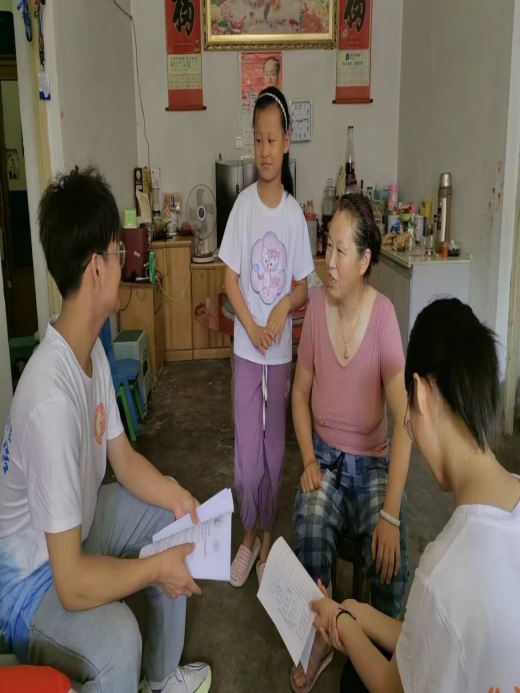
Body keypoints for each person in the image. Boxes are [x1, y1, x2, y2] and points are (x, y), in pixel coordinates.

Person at [0, 168, 212, 693]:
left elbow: (124, 458)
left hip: (75, 528)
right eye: (119, 252)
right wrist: (156, 569)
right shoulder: (50, 401)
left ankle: (161, 680)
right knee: (117, 641)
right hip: (33, 585)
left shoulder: (89, 347)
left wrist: (179, 498)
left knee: (169, 517)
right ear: (97, 269)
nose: (126, 262)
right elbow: (71, 584)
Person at [310, 298, 520, 693]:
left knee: (355, 681)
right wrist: (355, 613)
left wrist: (339, 624)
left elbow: (393, 685)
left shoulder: (443, 573)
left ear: (421, 394)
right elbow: (428, 636)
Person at [291, 194, 411, 692]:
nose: (329, 261)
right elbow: (299, 395)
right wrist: (307, 458)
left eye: (341, 251)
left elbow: (406, 421)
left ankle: (379, 656)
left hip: (371, 464)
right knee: (310, 521)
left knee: (391, 560)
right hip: (324, 457)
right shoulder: (317, 308)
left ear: (364, 261)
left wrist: (391, 516)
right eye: (327, 247)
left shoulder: (383, 317)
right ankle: (321, 639)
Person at [219, 87, 314, 588]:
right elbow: (230, 279)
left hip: (278, 357)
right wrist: (252, 327)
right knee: (247, 457)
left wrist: (280, 308)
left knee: (275, 452)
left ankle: (268, 534)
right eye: (258, 140)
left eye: (272, 139)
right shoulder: (243, 207)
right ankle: (248, 536)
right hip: (246, 349)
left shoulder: (294, 215)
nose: (264, 150)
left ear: (287, 142)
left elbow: (302, 286)